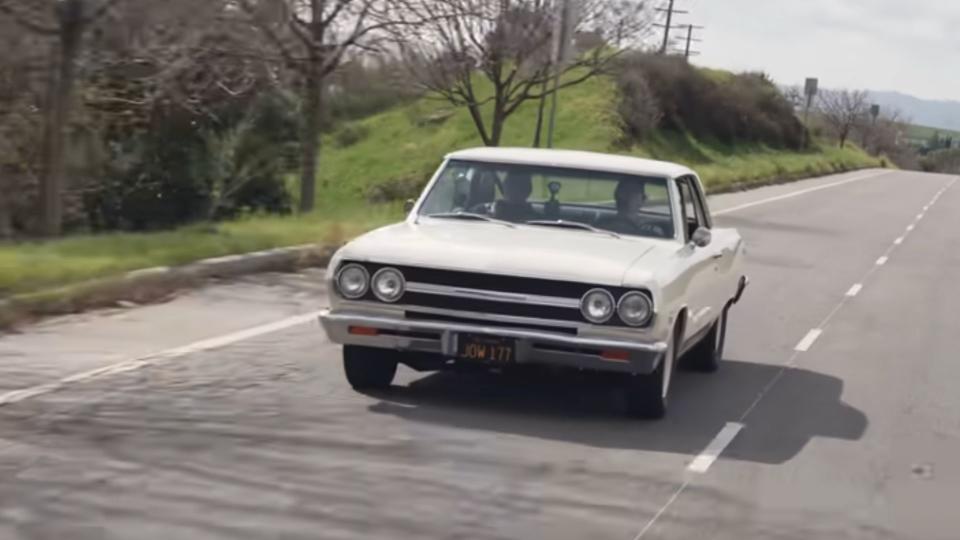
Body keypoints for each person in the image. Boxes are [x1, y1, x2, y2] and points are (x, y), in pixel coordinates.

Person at [597, 179, 668, 237]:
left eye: (632, 193)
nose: (625, 197)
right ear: (616, 196)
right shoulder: (599, 226)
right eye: (623, 192)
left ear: (642, 199)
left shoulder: (651, 231)